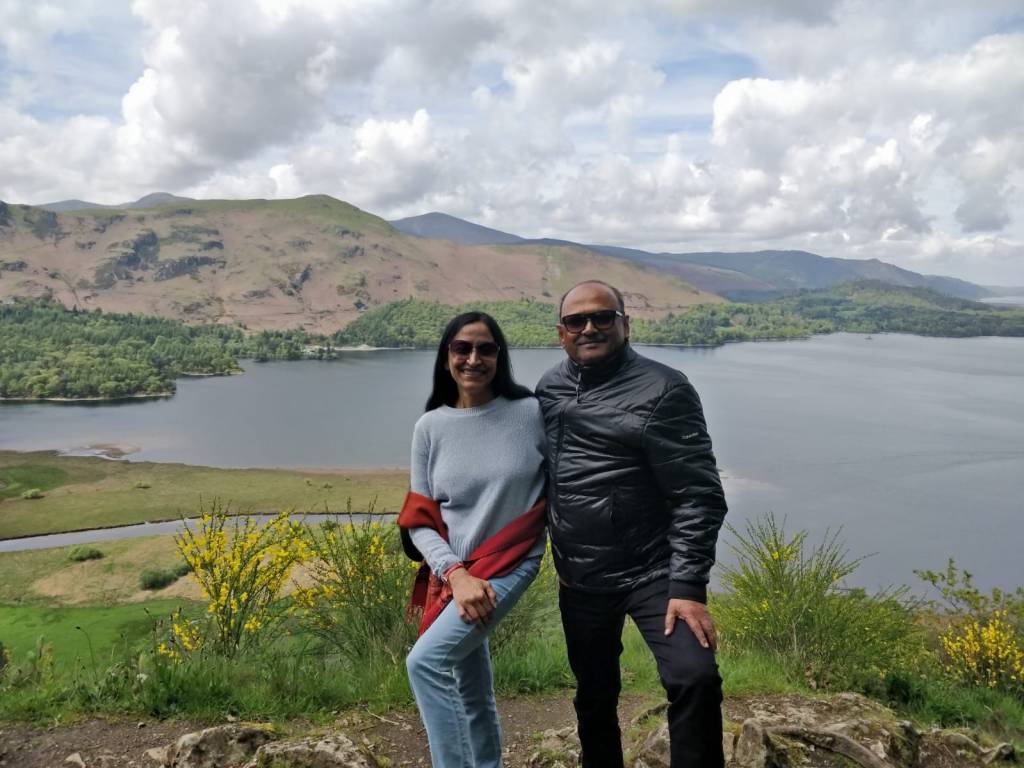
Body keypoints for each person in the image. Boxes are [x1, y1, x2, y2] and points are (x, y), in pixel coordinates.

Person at [536, 280, 729, 768]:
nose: (589, 328)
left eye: (602, 317)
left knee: (694, 678)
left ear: (625, 324)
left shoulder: (665, 389)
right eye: (576, 321)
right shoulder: (549, 388)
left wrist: (688, 586)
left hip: (655, 572)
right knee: (594, 694)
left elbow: (699, 494)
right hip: (580, 577)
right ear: (561, 333)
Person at [400, 311, 548, 768]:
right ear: (446, 357)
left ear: (499, 357)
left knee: (425, 663)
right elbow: (420, 520)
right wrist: (455, 574)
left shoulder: (531, 413)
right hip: (456, 573)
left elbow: (568, 485)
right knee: (470, 685)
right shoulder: (430, 427)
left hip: (512, 563)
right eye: (462, 348)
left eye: (486, 349)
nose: (473, 358)